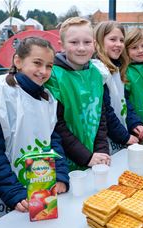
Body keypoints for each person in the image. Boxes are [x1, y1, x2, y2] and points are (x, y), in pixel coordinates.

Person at [0, 37, 69, 217]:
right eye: (37, 63)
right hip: (14, 196)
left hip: (43, 190)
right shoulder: (0, 94)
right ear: (18, 61)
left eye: (49, 66)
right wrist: (12, 191)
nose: (43, 71)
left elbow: (54, 141)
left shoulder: (48, 99)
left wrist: (60, 174)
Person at [45, 17, 110, 171]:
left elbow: (100, 115)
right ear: (61, 46)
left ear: (94, 44)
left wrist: (101, 150)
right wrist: (86, 156)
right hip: (65, 162)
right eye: (74, 42)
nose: (81, 48)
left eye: (87, 42)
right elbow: (57, 126)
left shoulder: (97, 73)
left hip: (94, 159)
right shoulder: (53, 77)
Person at [93, 20, 143, 154]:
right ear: (99, 41)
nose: (118, 44)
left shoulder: (118, 67)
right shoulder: (98, 71)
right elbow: (105, 112)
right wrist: (125, 136)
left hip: (119, 134)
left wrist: (135, 123)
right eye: (113, 39)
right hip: (105, 142)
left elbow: (124, 101)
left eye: (121, 40)